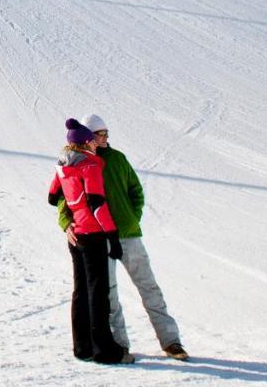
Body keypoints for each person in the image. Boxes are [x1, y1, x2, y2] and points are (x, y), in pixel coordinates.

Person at [57, 116, 189, 361]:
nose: (105, 138)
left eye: (107, 133)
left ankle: (171, 341)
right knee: (109, 296)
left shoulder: (117, 159)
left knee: (149, 287)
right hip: (99, 238)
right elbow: (64, 201)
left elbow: (136, 191)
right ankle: (119, 345)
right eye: (100, 134)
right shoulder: (78, 164)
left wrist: (132, 218)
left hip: (127, 235)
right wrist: (67, 225)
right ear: (88, 136)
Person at [48, 118, 134, 365]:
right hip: (93, 234)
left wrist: (73, 210)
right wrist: (112, 235)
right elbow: (97, 204)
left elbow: (53, 197)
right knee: (98, 292)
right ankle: (105, 351)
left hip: (76, 236)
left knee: (81, 290)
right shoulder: (90, 166)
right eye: (92, 141)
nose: (97, 145)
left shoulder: (63, 165)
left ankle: (82, 346)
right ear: (86, 142)